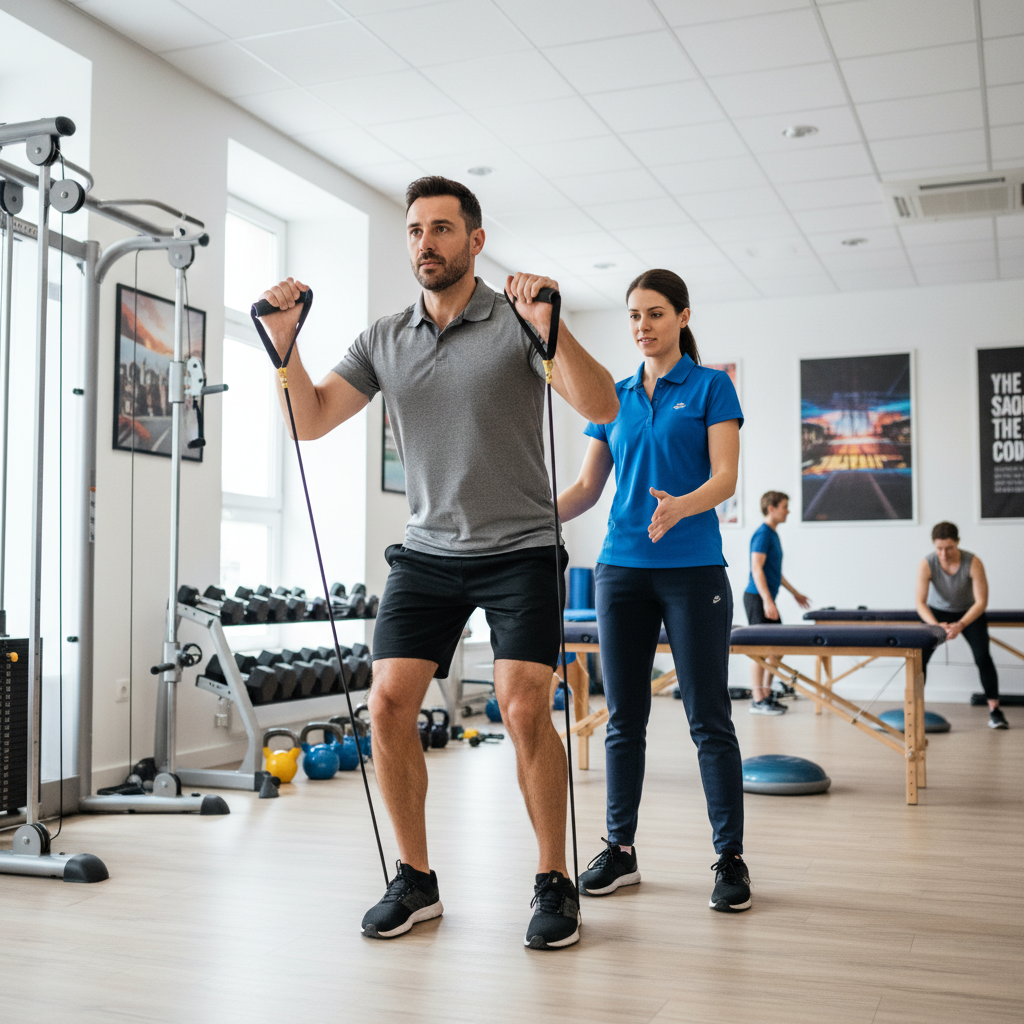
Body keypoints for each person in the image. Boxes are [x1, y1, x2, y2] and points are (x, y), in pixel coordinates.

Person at [256, 176, 619, 949]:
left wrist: (550, 328)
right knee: (386, 703)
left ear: (475, 241)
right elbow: (310, 421)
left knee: (522, 709)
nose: (426, 242)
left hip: (520, 546)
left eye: (443, 229)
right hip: (427, 550)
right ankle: (415, 879)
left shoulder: (517, 322)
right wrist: (286, 348)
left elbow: (602, 406)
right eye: (416, 230)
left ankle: (555, 878)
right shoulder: (384, 337)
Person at [558, 268, 751, 913]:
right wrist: (526, 513)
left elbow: (725, 478)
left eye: (657, 314)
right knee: (624, 719)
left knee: (708, 717)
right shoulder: (610, 398)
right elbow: (587, 490)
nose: (644, 326)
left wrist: (681, 506)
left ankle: (729, 860)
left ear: (683, 317)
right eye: (636, 315)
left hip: (694, 571)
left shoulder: (710, 387)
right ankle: (622, 849)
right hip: (621, 571)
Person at [916, 522, 1008, 729]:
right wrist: (937, 626)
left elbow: (981, 602)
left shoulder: (973, 562)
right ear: (934, 546)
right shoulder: (927, 563)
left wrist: (960, 624)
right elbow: (920, 603)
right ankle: (915, 708)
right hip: (936, 613)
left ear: (957, 543)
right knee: (920, 659)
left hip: (968, 613)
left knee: (983, 656)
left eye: (949, 548)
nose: (944, 553)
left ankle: (995, 711)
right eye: (939, 548)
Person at [743, 491, 811, 715]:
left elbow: (775, 572)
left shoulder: (772, 534)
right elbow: (756, 568)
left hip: (765, 598)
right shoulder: (762, 534)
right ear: (771, 508)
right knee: (760, 650)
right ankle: (757, 699)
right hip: (757, 598)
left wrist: (795, 593)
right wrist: (767, 601)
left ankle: (765, 693)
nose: (788, 510)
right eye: (784, 506)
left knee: (777, 648)